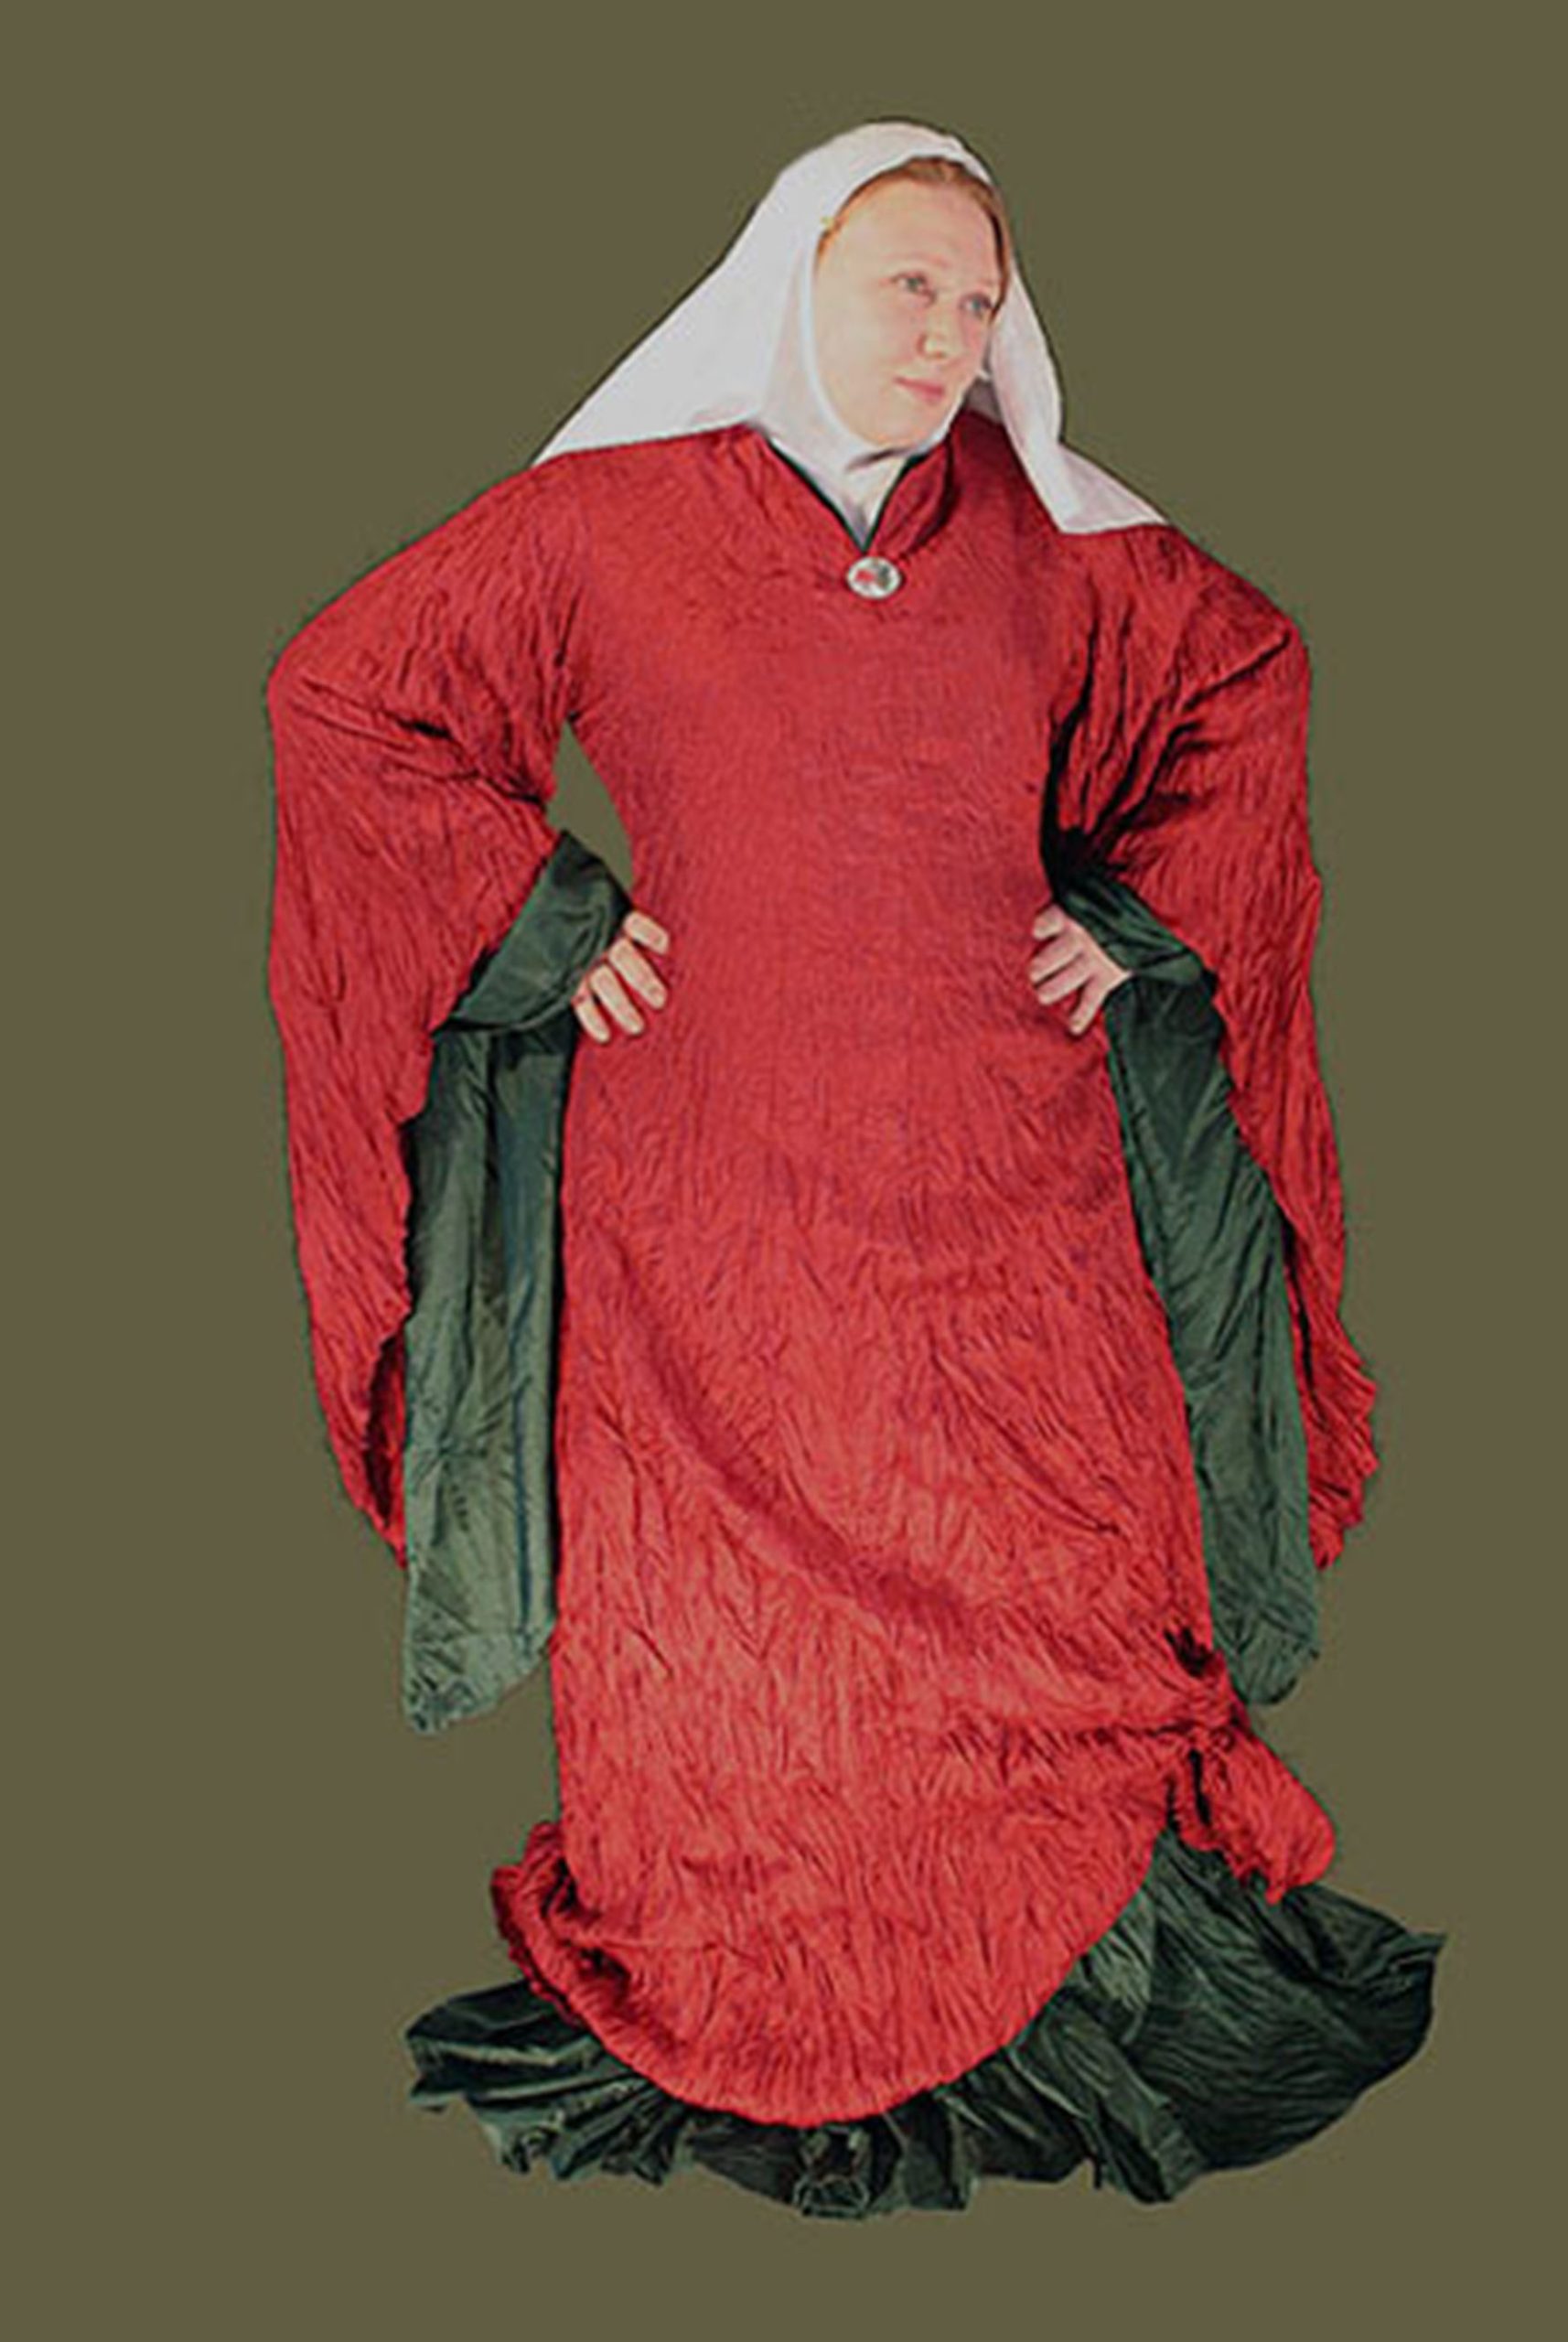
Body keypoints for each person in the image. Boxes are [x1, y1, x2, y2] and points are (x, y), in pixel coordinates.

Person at [265, 120, 1444, 2220]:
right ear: (790, 275)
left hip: (1014, 1171)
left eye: (981, 301)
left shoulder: (1053, 533)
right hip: (705, 1189)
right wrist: (545, 918)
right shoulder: (606, 521)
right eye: (910, 283)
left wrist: (1143, 914)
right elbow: (347, 698)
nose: (949, 332)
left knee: (1062, 1565)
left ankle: (1058, 1990)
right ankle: (753, 1966)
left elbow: (1244, 671)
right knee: (724, 1620)